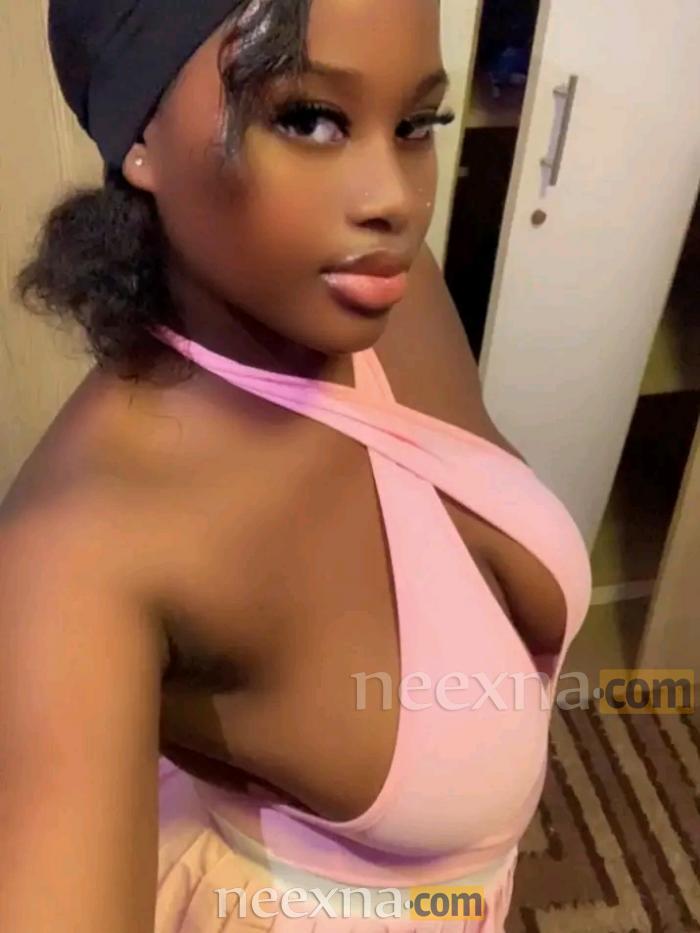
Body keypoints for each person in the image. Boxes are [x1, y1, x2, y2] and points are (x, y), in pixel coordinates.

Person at [0, 1, 593, 931]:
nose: (396, 199)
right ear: (141, 137)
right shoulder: (81, 552)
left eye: (416, 124)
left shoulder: (395, 296)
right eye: (309, 119)